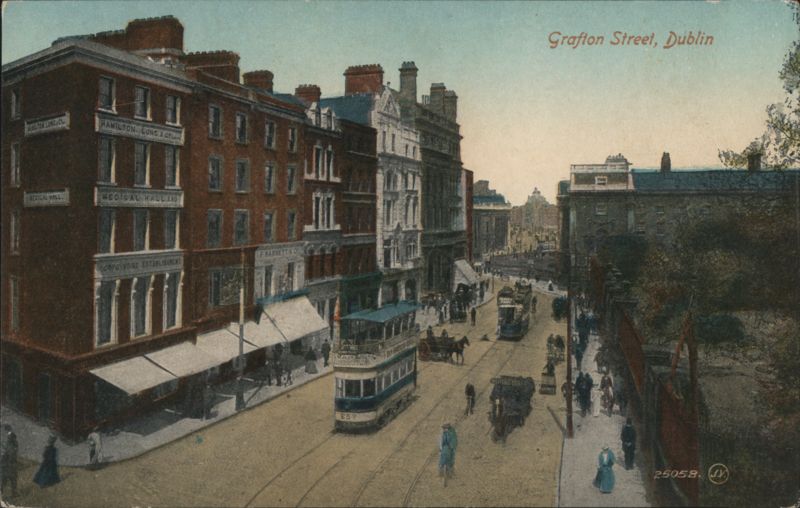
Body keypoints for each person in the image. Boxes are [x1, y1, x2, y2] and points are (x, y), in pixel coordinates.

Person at [1, 425, 18, 497]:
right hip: (9, 463)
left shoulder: (11, 440)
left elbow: (9, 451)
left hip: (9, 463)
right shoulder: (12, 441)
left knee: (9, 478)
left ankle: (13, 493)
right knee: (10, 478)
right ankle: (13, 493)